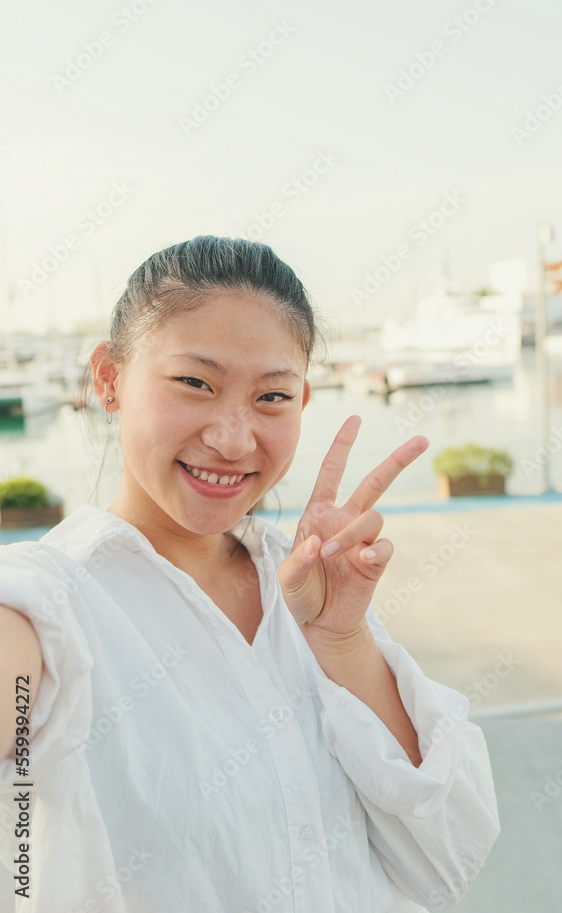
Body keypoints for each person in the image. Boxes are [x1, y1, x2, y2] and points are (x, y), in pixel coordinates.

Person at [0, 236, 499, 913]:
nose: (234, 440)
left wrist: (343, 641)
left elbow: (445, 857)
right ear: (109, 378)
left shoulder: (307, 585)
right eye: (195, 384)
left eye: (271, 397)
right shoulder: (46, 604)